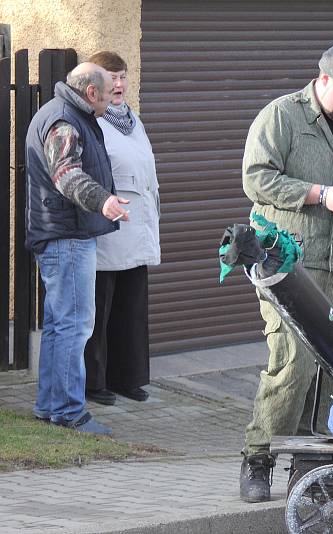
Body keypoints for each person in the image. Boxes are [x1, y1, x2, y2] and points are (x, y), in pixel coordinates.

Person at [239, 35, 333, 502]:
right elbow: (255, 178)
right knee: (292, 362)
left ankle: (315, 468)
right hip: (289, 264)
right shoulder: (280, 116)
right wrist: (319, 194)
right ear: (324, 79)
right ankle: (257, 459)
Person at [25, 62, 131, 436]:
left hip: (62, 234)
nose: (109, 101)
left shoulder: (64, 113)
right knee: (74, 325)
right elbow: (67, 175)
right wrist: (103, 201)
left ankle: (49, 406)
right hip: (67, 238)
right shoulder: (65, 122)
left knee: (59, 325)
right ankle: (70, 411)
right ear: (90, 93)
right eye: (106, 94)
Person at [82, 51, 160, 406]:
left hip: (138, 225)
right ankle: (95, 382)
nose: (118, 84)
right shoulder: (92, 122)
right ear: (94, 83)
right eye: (111, 77)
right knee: (101, 307)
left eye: (123, 76)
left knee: (132, 306)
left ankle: (128, 378)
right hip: (111, 229)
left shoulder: (133, 120)